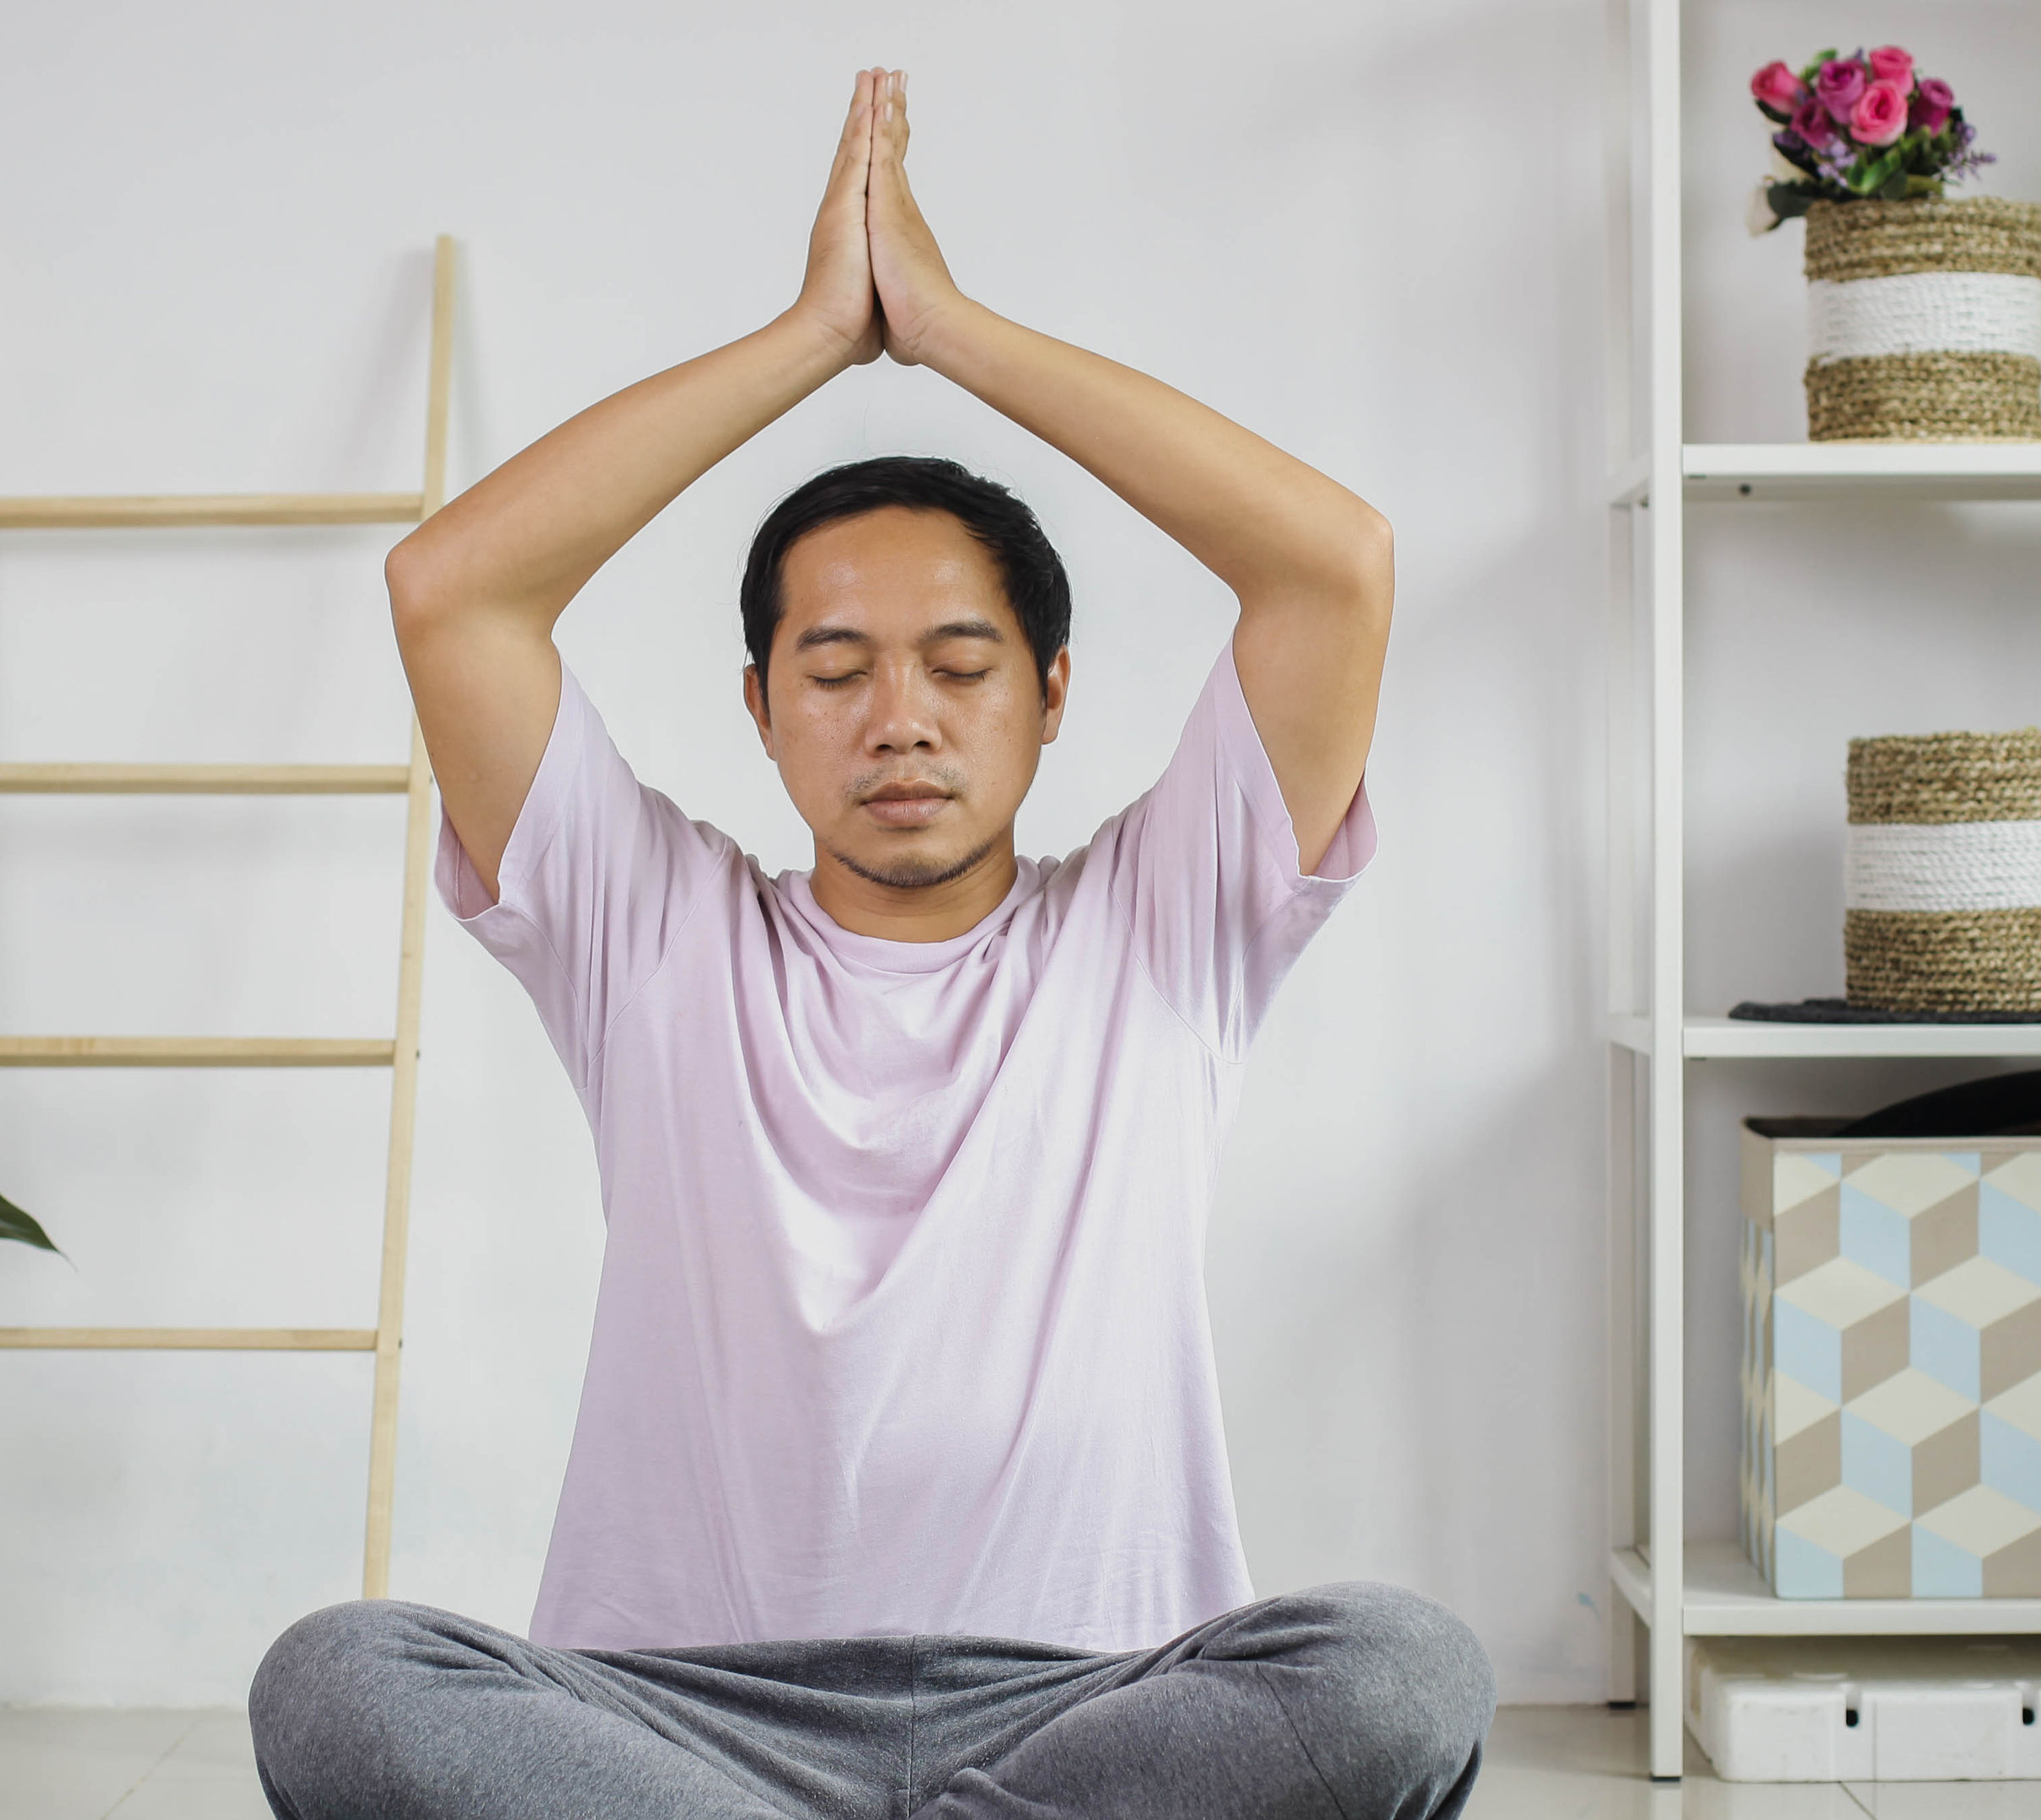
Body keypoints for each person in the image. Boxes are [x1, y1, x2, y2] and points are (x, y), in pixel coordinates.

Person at [249, 68, 1492, 1820]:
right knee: (338, 1681)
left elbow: (1335, 567)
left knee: (1401, 1666)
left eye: (961, 666)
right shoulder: (650, 930)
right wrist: (816, 337)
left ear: (1053, 696)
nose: (900, 717)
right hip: (676, 1723)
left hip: (1089, 1709)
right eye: (837, 672)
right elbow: (454, 587)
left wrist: (955, 333)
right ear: (760, 707)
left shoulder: (1167, 922)